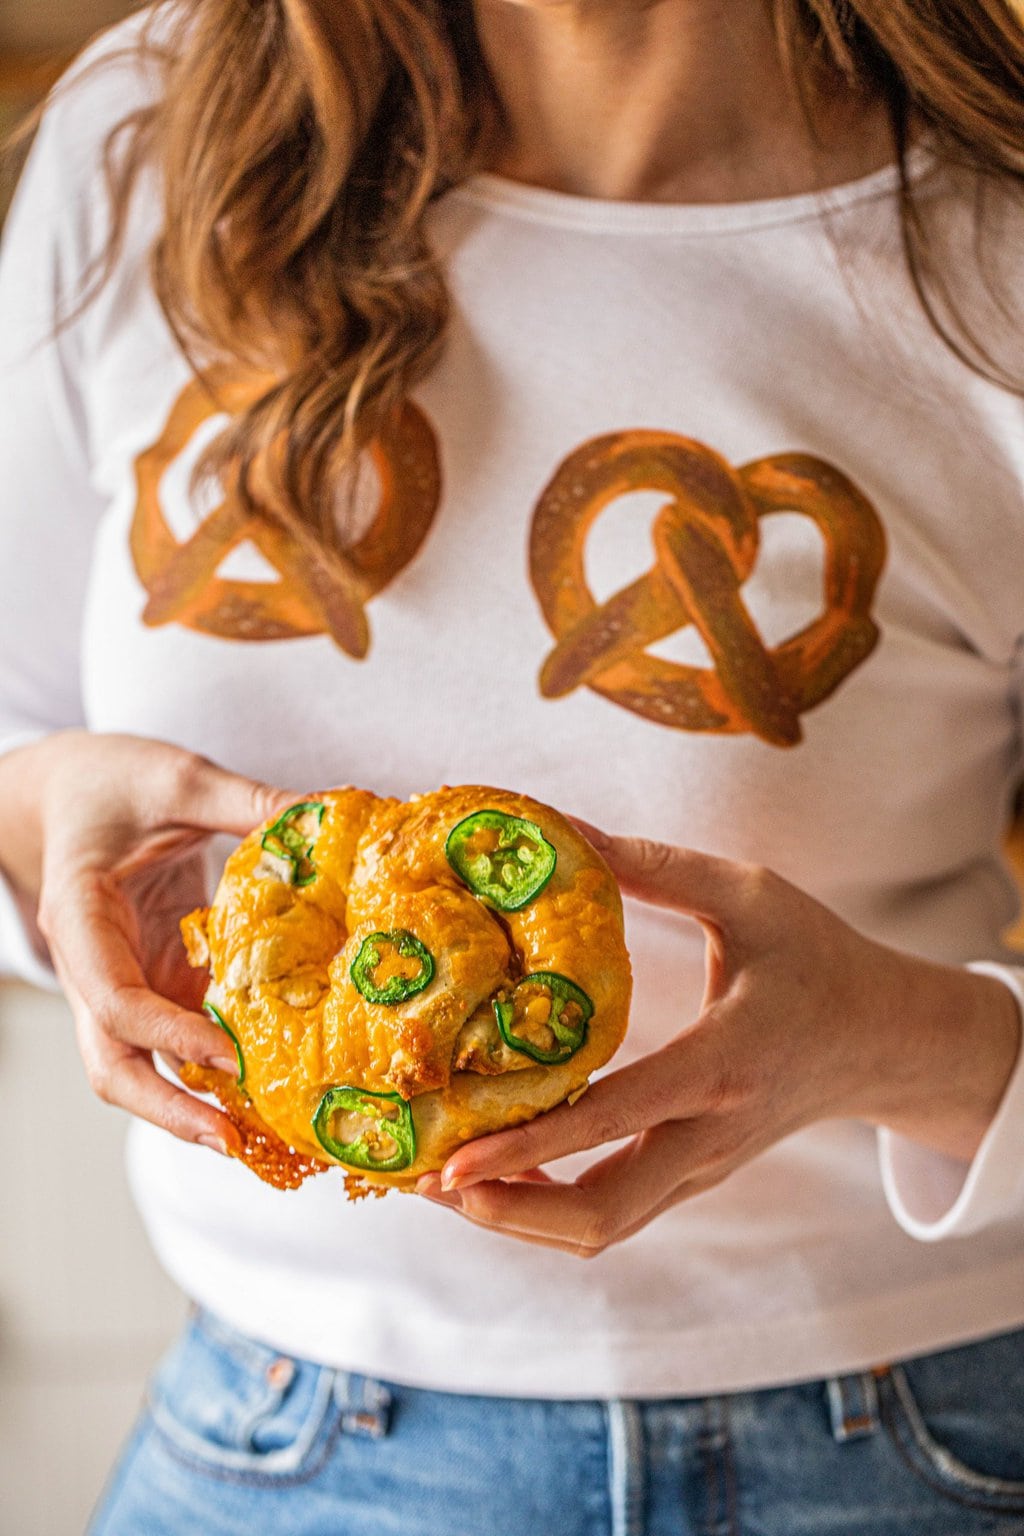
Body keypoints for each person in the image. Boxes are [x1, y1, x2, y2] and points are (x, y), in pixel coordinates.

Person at [1, 1, 1023, 1531]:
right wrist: (38, 827)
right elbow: (15, 733)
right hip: (281, 1442)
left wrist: (894, 1040)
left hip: (908, 1443)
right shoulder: (153, 133)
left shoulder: (988, 231)